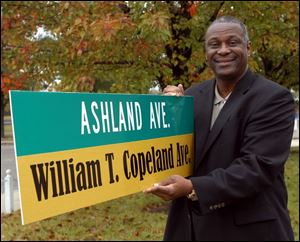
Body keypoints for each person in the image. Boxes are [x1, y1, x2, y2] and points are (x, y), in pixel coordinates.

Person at [144, 16, 295, 241]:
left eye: (232, 42)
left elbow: (257, 168)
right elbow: (173, 153)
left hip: (248, 231)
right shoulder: (192, 97)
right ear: (206, 53)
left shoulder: (273, 98)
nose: (223, 50)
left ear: (248, 47)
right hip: (190, 229)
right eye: (214, 44)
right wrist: (169, 113)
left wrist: (192, 187)